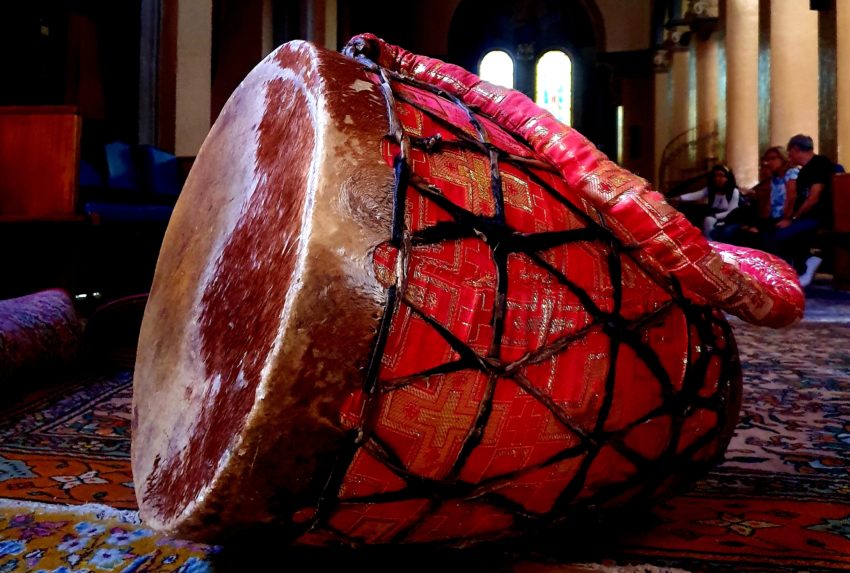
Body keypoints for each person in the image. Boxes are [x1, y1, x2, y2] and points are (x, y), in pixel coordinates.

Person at [761, 134, 835, 287]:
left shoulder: (819, 164)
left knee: (778, 236)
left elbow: (814, 197)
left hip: (819, 216)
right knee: (773, 232)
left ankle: (790, 273)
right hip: (807, 216)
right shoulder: (805, 170)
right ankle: (799, 268)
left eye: (789, 153)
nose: (789, 157)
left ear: (795, 150)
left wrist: (793, 219)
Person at [675, 164, 741, 239]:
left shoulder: (734, 191)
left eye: (721, 175)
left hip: (728, 217)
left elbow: (732, 211)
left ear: (728, 178)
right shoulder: (711, 189)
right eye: (715, 175)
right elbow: (697, 194)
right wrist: (680, 198)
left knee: (709, 220)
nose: (717, 178)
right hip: (713, 215)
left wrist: (715, 216)